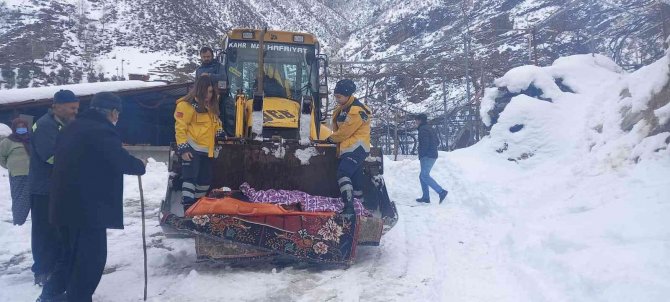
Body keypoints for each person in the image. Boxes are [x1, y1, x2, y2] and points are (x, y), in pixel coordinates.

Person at [37, 92, 146, 302]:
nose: (117, 118)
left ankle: (49, 295)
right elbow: (118, 159)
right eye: (117, 114)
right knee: (91, 260)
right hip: (88, 210)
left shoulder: (71, 127)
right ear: (113, 112)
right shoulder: (101, 131)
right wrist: (139, 165)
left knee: (68, 256)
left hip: (63, 205)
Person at [29, 89, 79, 286]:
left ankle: (58, 266)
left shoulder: (65, 124)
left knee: (60, 230)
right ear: (57, 106)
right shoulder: (44, 126)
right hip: (44, 188)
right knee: (44, 230)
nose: (75, 112)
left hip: (59, 187)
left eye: (77, 108)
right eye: (72, 108)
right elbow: (50, 156)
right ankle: (42, 270)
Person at [174, 75, 224, 210]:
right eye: (207, 91)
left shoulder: (211, 106)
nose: (209, 95)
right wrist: (183, 148)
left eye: (211, 92)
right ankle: (188, 208)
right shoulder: (186, 105)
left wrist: (220, 131)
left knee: (205, 182)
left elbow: (216, 122)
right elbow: (180, 127)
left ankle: (197, 207)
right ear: (200, 90)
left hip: (207, 151)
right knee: (190, 179)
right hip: (192, 149)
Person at [325, 79, 372, 215]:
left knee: (343, 173)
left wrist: (330, 139)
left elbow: (345, 131)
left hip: (356, 149)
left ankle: (349, 207)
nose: (337, 99)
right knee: (355, 179)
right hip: (349, 148)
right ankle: (360, 205)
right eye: (336, 96)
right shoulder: (343, 109)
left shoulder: (356, 111)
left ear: (347, 95)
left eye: (339, 96)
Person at [0, 118, 32, 225]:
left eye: (23, 126)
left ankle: (23, 220)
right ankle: (18, 221)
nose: (21, 129)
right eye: (19, 127)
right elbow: (1, 156)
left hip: (31, 173)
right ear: (14, 128)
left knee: (29, 196)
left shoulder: (30, 139)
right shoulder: (8, 141)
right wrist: (10, 166)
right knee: (18, 197)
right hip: (17, 174)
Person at [414, 113, 448, 204]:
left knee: (424, 176)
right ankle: (426, 197)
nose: (415, 121)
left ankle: (441, 192)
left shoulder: (423, 130)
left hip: (427, 156)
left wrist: (422, 153)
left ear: (420, 120)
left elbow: (425, 143)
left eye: (416, 119)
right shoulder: (430, 128)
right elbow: (437, 142)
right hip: (432, 155)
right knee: (422, 176)